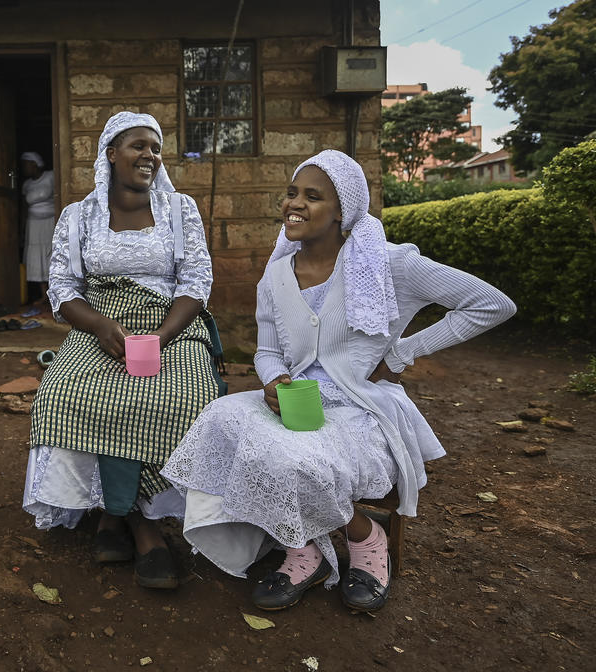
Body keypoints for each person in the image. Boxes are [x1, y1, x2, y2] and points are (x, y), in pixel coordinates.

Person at [161, 149, 516, 613]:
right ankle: (304, 550)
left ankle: (367, 541)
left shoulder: (388, 266)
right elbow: (267, 350)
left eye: (313, 196)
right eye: (292, 193)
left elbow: (491, 303)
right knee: (218, 418)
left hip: (358, 407)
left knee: (294, 459)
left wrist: (403, 351)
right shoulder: (275, 274)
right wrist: (275, 379)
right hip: (297, 399)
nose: (296, 204)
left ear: (343, 212)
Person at [23, 111, 221, 590]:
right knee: (64, 394)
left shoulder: (179, 209)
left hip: (170, 324)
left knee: (183, 398)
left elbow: (196, 281)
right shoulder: (78, 215)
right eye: (138, 145)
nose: (149, 155)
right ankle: (126, 517)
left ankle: (127, 517)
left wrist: (161, 337)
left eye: (155, 147)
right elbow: (65, 288)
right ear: (110, 154)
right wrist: (98, 324)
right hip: (100, 326)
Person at [20, 151, 56, 306]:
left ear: (35, 164)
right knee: (36, 256)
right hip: (33, 224)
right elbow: (23, 207)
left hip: (50, 222)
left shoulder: (50, 176)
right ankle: (44, 295)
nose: (24, 168)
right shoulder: (26, 184)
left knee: (50, 253)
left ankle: (55, 294)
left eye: (26, 165)